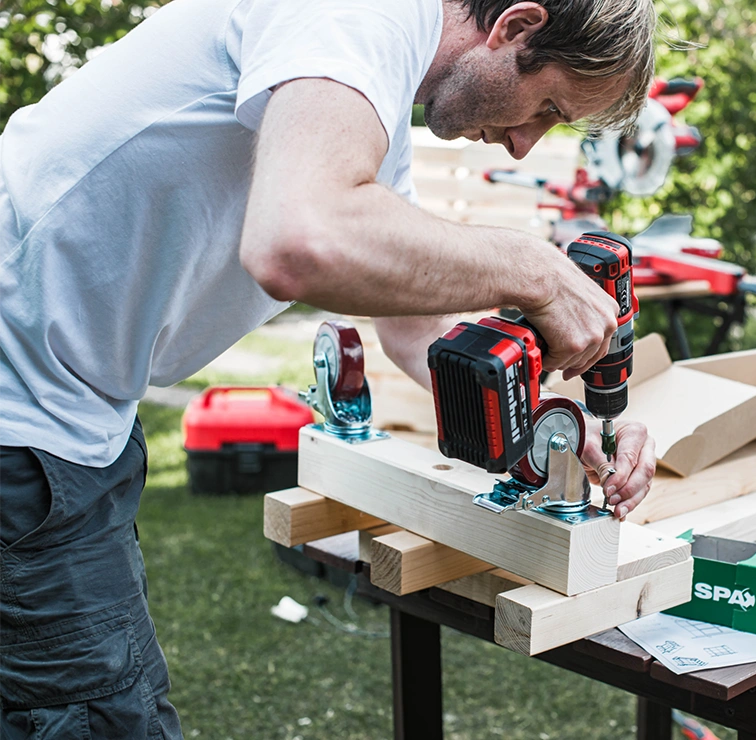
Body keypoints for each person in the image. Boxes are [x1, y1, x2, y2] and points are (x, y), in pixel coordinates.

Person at [0, 0, 659, 734]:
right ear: (515, 28)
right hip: (22, 414)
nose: (523, 146)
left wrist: (558, 434)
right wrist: (533, 269)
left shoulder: (367, 80)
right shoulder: (362, 11)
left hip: (62, 406)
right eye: (547, 107)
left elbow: (418, 332)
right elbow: (300, 239)